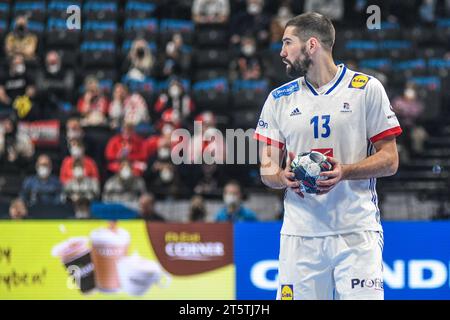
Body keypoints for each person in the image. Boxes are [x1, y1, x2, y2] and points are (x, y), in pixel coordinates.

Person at [254, 13, 402, 300]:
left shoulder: (366, 89)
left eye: (287, 42)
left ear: (311, 45)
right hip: (300, 235)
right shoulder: (278, 99)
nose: (282, 52)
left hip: (356, 231)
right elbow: (267, 168)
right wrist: (281, 177)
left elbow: (390, 160)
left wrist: (344, 171)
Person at [36, 51, 75, 117]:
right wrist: (60, 85)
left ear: (59, 61)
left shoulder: (67, 72)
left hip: (63, 103)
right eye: (50, 61)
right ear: (46, 62)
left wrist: (48, 85)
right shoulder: (41, 72)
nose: (52, 63)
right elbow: (40, 87)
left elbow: (68, 86)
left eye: (54, 61)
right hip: (45, 106)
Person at [0, 54, 37, 119]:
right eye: (17, 63)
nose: (19, 65)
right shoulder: (4, 76)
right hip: (8, 104)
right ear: (11, 64)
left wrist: (23, 100)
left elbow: (31, 90)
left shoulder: (27, 75)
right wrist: (11, 103)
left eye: (21, 63)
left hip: (23, 103)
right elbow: (1, 93)